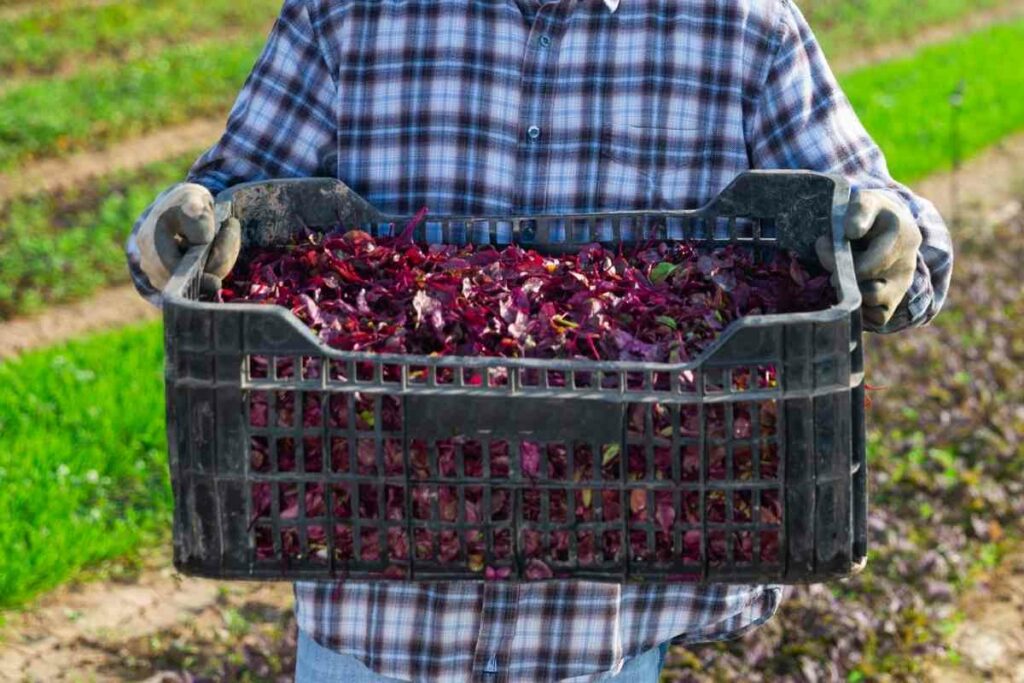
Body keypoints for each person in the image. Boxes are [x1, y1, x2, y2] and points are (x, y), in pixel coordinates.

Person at [125, 1, 953, 680]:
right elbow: (223, 198)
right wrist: (176, 229)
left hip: (600, 626)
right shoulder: (345, 16)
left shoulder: (741, 29)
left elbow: (879, 217)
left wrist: (892, 239)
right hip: (373, 612)